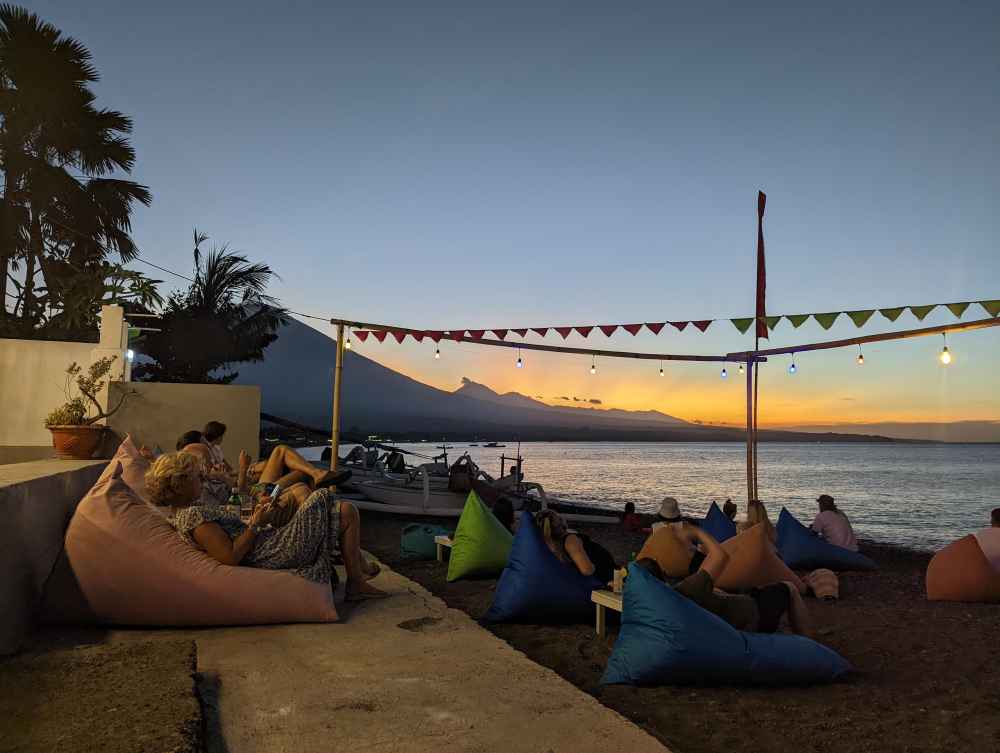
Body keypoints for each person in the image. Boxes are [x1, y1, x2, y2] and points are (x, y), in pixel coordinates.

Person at [146, 452, 386, 601]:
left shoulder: (185, 513)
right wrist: (256, 524)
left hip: (268, 543)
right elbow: (229, 557)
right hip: (274, 551)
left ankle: (356, 582)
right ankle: (358, 576)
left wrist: (258, 515)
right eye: (198, 476)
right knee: (317, 494)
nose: (203, 478)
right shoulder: (193, 517)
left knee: (347, 511)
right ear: (179, 485)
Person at [635, 524, 812, 637]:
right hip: (753, 615)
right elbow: (720, 555)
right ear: (662, 577)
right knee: (789, 588)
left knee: (723, 591)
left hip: (733, 611)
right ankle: (809, 643)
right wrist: (696, 531)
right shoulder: (687, 590)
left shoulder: (653, 607)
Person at [536, 509, 617, 585]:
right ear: (560, 522)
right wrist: (595, 565)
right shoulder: (570, 540)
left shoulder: (548, 545)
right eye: (560, 517)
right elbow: (587, 570)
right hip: (608, 578)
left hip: (607, 575)